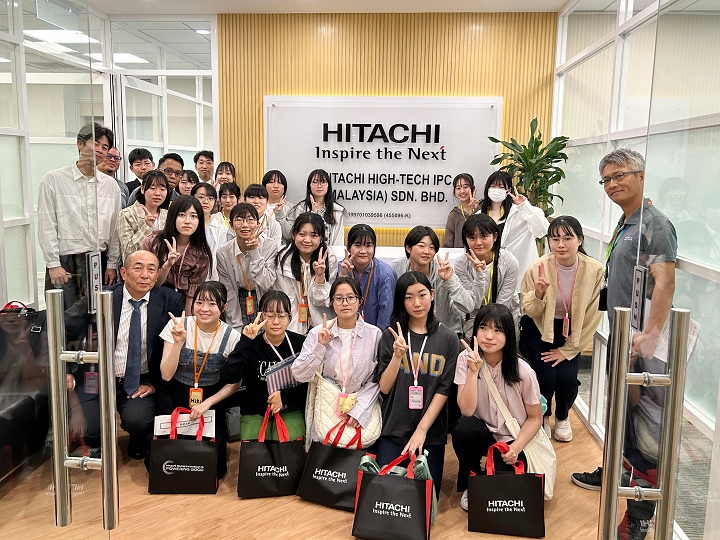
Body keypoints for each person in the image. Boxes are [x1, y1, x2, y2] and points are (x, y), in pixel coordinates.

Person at [570, 149, 677, 540]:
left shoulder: (656, 224)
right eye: (607, 180)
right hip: (623, 339)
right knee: (620, 419)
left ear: (642, 175)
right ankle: (613, 472)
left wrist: (650, 334)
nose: (613, 184)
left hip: (644, 349)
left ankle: (639, 518)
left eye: (620, 175)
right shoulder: (627, 221)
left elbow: (664, 281)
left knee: (645, 435)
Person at [68, 250, 184, 459]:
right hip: (99, 378)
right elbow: (65, 328)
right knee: (89, 428)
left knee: (139, 421)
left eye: (151, 269)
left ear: (158, 274)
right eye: (138, 268)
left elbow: (174, 349)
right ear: (123, 272)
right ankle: (98, 439)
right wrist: (66, 370)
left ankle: (138, 438)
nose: (145, 275)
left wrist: (154, 384)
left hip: (140, 381)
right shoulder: (101, 298)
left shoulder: (170, 301)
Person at [374, 271, 459, 498]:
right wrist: (396, 357)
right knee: (387, 496)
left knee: (425, 498)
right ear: (401, 301)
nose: (417, 303)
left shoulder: (448, 338)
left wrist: (421, 431)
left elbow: (445, 389)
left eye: (422, 295)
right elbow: (384, 387)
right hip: (393, 427)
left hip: (430, 432)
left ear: (432, 295)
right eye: (409, 297)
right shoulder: (391, 336)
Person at [451, 304, 543, 511]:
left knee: (506, 496)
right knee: (463, 428)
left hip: (513, 438)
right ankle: (472, 479)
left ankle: (495, 473)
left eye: (497, 330)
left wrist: (516, 447)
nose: (488, 336)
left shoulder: (523, 371)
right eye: (483, 328)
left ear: (509, 335)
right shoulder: (464, 359)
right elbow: (466, 410)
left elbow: (536, 418)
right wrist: (473, 372)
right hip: (482, 433)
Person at [520, 216, 603, 442]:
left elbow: (594, 314)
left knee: (566, 378)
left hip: (572, 330)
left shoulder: (595, 270)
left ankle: (563, 415)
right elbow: (529, 310)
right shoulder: (538, 268)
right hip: (538, 327)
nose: (561, 245)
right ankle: (543, 416)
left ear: (580, 240)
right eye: (555, 239)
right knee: (545, 377)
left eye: (568, 238)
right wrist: (538, 294)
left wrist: (568, 350)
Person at [37, 122, 121, 330]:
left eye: (105, 147)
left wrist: (111, 263)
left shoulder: (110, 185)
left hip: (98, 260)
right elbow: (47, 225)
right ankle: (64, 363)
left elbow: (114, 228)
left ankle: (94, 364)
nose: (101, 151)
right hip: (66, 262)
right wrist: (53, 264)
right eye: (97, 144)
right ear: (79, 144)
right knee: (63, 323)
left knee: (98, 321)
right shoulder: (54, 179)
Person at [159, 281, 242, 479]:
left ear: (223, 307)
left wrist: (208, 403)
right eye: (199, 302)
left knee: (215, 468)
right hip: (176, 396)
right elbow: (166, 375)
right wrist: (178, 344)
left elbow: (235, 383)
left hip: (211, 401)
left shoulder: (232, 337)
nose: (204, 309)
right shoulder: (178, 325)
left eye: (212, 304)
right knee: (166, 461)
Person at [292, 277, 382, 444]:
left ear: (360, 301)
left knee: (355, 466)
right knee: (325, 465)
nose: (345, 303)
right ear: (332, 302)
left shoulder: (375, 335)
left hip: (358, 409)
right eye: (339, 298)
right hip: (325, 409)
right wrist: (320, 346)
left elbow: (376, 379)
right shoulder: (317, 333)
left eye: (351, 297)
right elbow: (299, 374)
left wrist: (360, 410)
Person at [228, 290, 307, 440]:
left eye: (282, 316)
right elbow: (230, 376)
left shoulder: (300, 344)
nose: (276, 322)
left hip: (290, 407)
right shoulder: (251, 344)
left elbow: (308, 385)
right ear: (262, 316)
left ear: (290, 317)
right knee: (254, 448)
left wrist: (284, 397)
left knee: (286, 440)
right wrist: (245, 342)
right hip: (255, 409)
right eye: (270, 316)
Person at [450, 213, 520, 338]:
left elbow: (503, 303)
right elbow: (474, 304)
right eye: (472, 237)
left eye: (484, 236)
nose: (478, 243)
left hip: (504, 317)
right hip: (474, 319)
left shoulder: (509, 261)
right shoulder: (461, 264)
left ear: (495, 236)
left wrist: (491, 329)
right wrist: (479, 273)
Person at [141, 195, 212, 313]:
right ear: (172, 217)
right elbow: (152, 283)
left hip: (182, 305)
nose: (187, 221)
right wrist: (167, 264)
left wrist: (186, 322)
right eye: (182, 215)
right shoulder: (153, 242)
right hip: (151, 301)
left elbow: (191, 296)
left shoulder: (201, 253)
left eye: (193, 216)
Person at [479, 171, 549, 289]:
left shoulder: (520, 213)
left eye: (501, 187)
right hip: (489, 274)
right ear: (487, 189)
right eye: (493, 186)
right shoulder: (480, 215)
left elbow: (542, 229)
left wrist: (524, 206)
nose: (496, 190)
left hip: (519, 274)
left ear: (509, 191)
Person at [216, 203, 278, 331]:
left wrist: (254, 251)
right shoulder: (223, 252)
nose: (245, 225)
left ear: (258, 224)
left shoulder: (269, 246)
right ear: (231, 225)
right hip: (238, 297)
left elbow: (267, 283)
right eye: (239, 219)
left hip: (263, 297)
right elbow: (229, 291)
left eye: (250, 220)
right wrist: (236, 327)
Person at [390, 226, 462, 335]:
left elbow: (469, 306)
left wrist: (449, 281)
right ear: (408, 248)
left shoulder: (443, 270)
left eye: (432, 247)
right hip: (407, 331)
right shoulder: (396, 268)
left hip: (442, 333)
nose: (427, 251)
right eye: (421, 246)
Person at [273, 212, 337, 334]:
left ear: (321, 238)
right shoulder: (284, 258)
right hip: (292, 320)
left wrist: (320, 276)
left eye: (314, 236)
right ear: (293, 235)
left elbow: (325, 299)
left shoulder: (329, 257)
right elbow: (286, 298)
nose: (307, 240)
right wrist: (292, 330)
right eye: (302, 234)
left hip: (322, 319)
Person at [337, 224, 396, 330]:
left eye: (368, 245)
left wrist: (377, 340)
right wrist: (343, 276)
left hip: (375, 335)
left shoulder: (386, 274)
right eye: (358, 245)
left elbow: (386, 313)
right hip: (343, 331)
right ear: (348, 248)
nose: (363, 251)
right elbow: (332, 303)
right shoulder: (339, 268)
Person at [278, 169, 345, 247]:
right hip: (305, 254)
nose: (319, 186)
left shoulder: (336, 210)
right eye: (315, 182)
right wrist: (279, 213)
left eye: (323, 182)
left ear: (328, 186)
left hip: (328, 255)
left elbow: (338, 242)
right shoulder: (301, 208)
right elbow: (290, 235)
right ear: (309, 185)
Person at [116, 170, 170, 263]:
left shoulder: (168, 215)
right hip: (137, 270)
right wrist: (146, 226)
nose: (158, 193)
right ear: (142, 189)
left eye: (162, 189)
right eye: (152, 188)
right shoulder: (127, 214)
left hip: (163, 271)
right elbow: (128, 251)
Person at [207, 182, 241, 271]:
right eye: (224, 197)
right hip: (217, 265)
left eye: (232, 196)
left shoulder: (244, 221)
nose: (228, 200)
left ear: (239, 198)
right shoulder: (213, 219)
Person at [443, 173, 479, 248]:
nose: (462, 191)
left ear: (473, 188)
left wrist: (477, 209)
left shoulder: (483, 208)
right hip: (460, 258)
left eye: (465, 187)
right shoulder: (453, 215)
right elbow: (447, 246)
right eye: (458, 188)